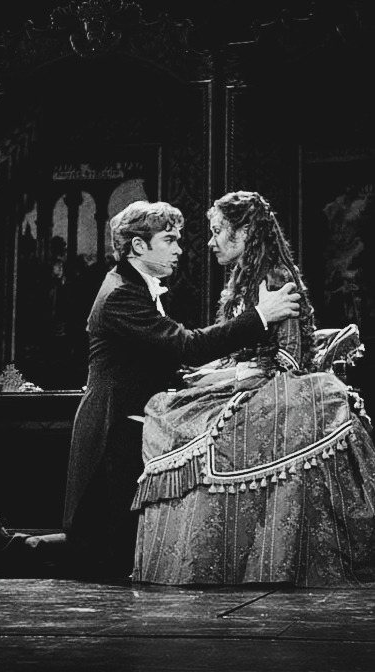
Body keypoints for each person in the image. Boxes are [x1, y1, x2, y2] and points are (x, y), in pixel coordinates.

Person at [0, 199, 301, 580]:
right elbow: (187, 345)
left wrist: (210, 375)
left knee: (104, 552)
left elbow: (159, 357)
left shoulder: (135, 286)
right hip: (112, 432)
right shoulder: (121, 294)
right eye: (169, 240)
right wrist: (261, 315)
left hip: (126, 428)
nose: (180, 249)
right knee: (101, 555)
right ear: (138, 246)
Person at [132, 191, 375, 587]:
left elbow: (288, 359)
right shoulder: (242, 279)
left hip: (280, 388)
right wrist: (212, 371)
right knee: (165, 409)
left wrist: (227, 377)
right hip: (248, 382)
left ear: (244, 232)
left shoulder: (275, 278)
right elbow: (240, 348)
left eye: (217, 231)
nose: (211, 242)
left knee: (209, 435)